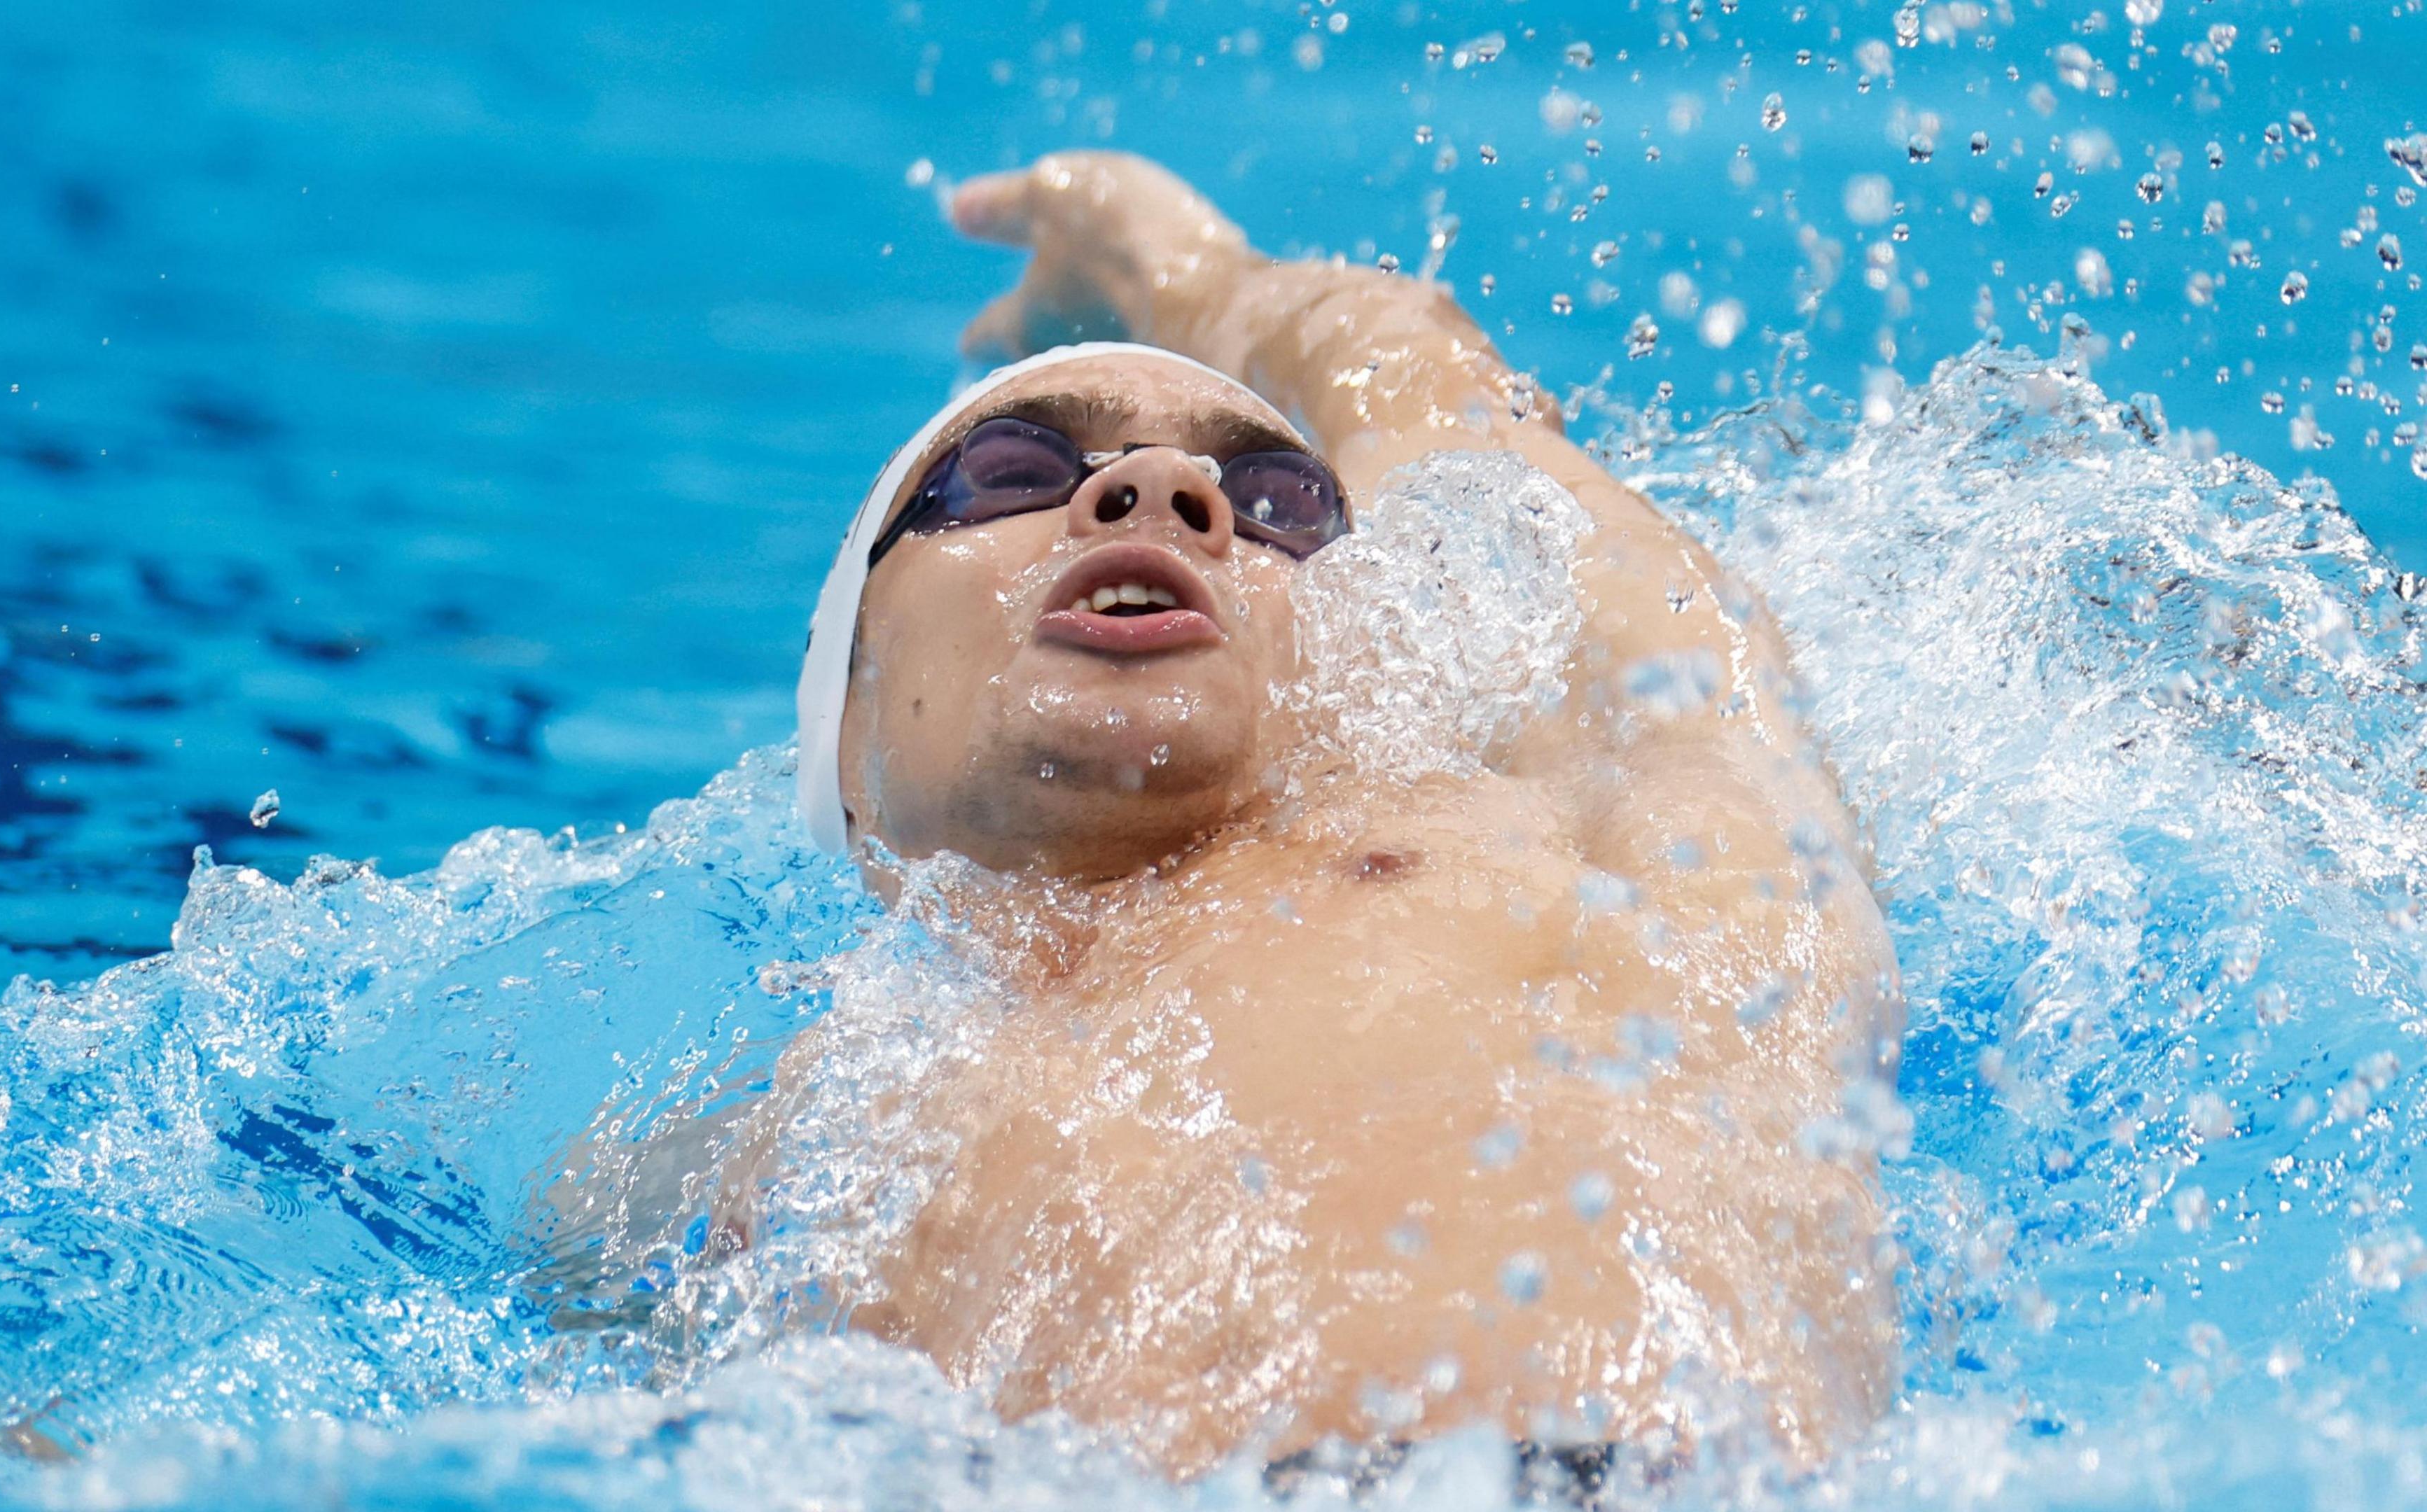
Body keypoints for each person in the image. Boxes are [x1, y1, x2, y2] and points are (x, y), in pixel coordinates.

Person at [709, 152, 1905, 1481]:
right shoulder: (787, 1142)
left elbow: (1498, 468)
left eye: (1279, 506)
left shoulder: (1580, 860)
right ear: (848, 730)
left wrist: (1195, 278)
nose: (1164, 493)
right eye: (1011, 470)